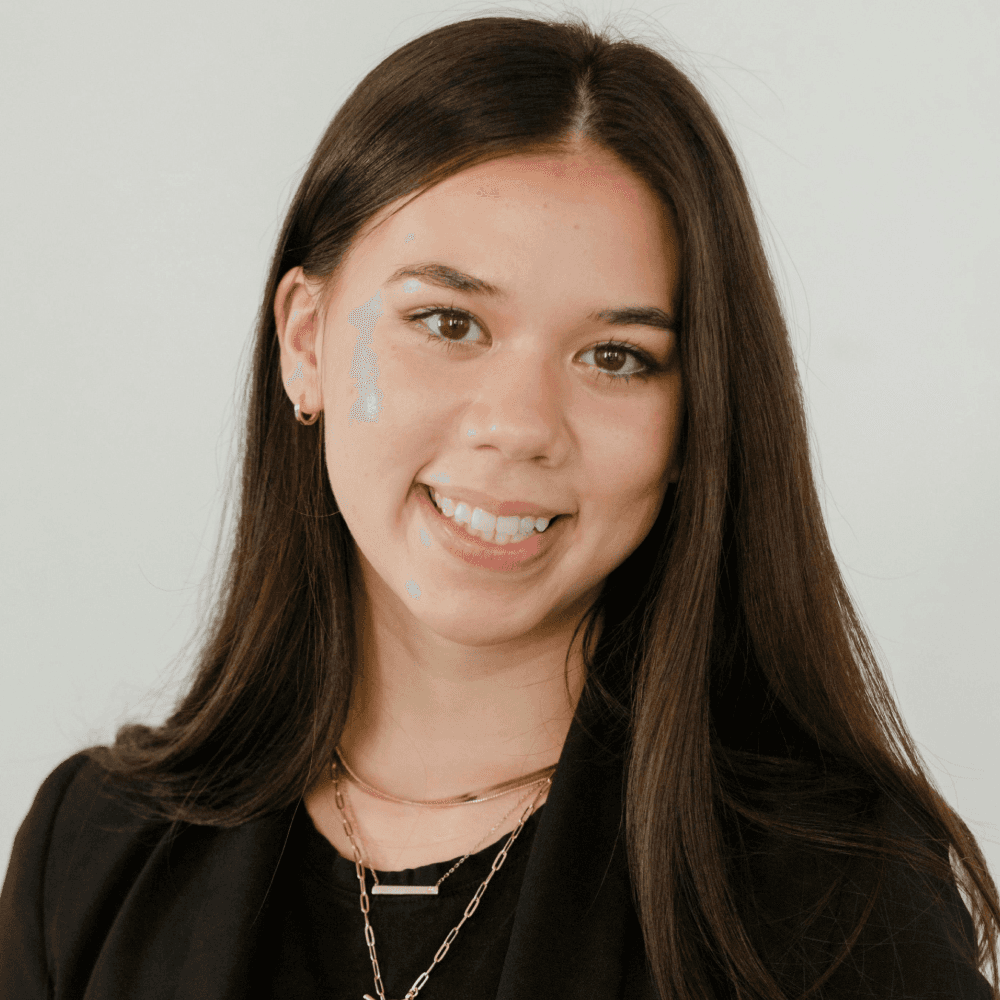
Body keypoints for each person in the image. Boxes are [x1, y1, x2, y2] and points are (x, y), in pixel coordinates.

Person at [1, 12, 997, 1000]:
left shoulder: (839, 898)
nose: (519, 426)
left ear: (695, 422)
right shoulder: (91, 854)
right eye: (449, 322)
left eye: (616, 357)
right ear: (306, 342)